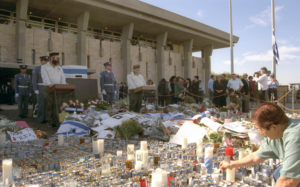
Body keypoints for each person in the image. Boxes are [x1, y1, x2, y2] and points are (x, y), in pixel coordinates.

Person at [220, 103, 300, 187]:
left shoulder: (295, 136)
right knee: (278, 172)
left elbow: (289, 180)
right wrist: (231, 165)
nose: (261, 133)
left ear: (273, 127)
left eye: (261, 129)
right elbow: (256, 157)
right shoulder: (279, 131)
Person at [41, 52, 66, 127]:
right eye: (57, 58)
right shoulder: (44, 67)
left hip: (57, 89)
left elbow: (62, 78)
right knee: (49, 106)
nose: (58, 59)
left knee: (56, 106)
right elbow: (45, 77)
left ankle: (56, 121)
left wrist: (63, 86)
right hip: (48, 88)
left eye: (59, 58)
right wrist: (50, 85)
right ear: (51, 58)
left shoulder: (59, 67)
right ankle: (49, 122)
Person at [32, 56, 48, 124]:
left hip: (47, 89)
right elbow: (34, 80)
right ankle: (41, 119)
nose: (46, 62)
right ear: (41, 61)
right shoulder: (37, 69)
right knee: (41, 105)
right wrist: (35, 89)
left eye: (47, 60)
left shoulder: (49, 69)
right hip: (40, 89)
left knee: (47, 105)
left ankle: (47, 118)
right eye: (44, 60)